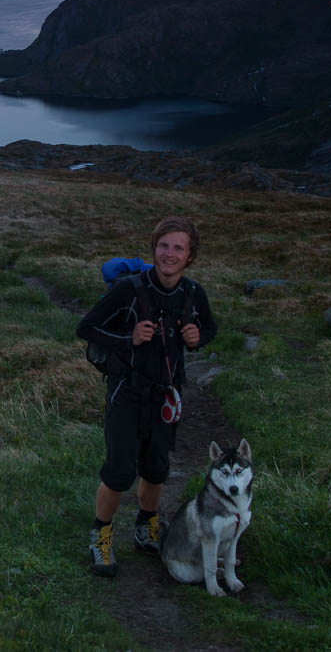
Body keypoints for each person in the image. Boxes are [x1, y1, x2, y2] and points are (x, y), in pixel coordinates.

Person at [76, 215, 217, 577]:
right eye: (164, 245)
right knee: (119, 470)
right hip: (127, 393)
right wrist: (129, 339)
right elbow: (85, 327)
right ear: (154, 247)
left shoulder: (192, 294)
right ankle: (101, 536)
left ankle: (145, 528)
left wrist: (197, 338)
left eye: (178, 248)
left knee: (156, 468)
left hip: (166, 396)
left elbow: (210, 327)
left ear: (190, 256)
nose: (169, 253)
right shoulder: (129, 289)